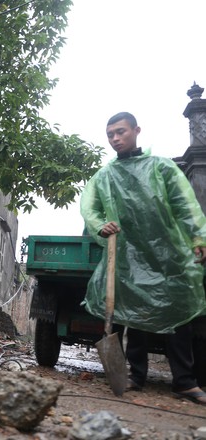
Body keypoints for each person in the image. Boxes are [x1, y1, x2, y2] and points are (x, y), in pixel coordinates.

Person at [80, 112, 206, 405]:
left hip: (169, 255)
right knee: (134, 315)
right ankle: (136, 376)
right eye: (110, 134)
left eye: (120, 132)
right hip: (128, 255)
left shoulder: (161, 167)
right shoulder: (105, 176)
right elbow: (89, 206)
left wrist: (198, 237)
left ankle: (184, 382)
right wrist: (100, 224)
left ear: (136, 130)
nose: (115, 138)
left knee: (178, 315)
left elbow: (184, 204)